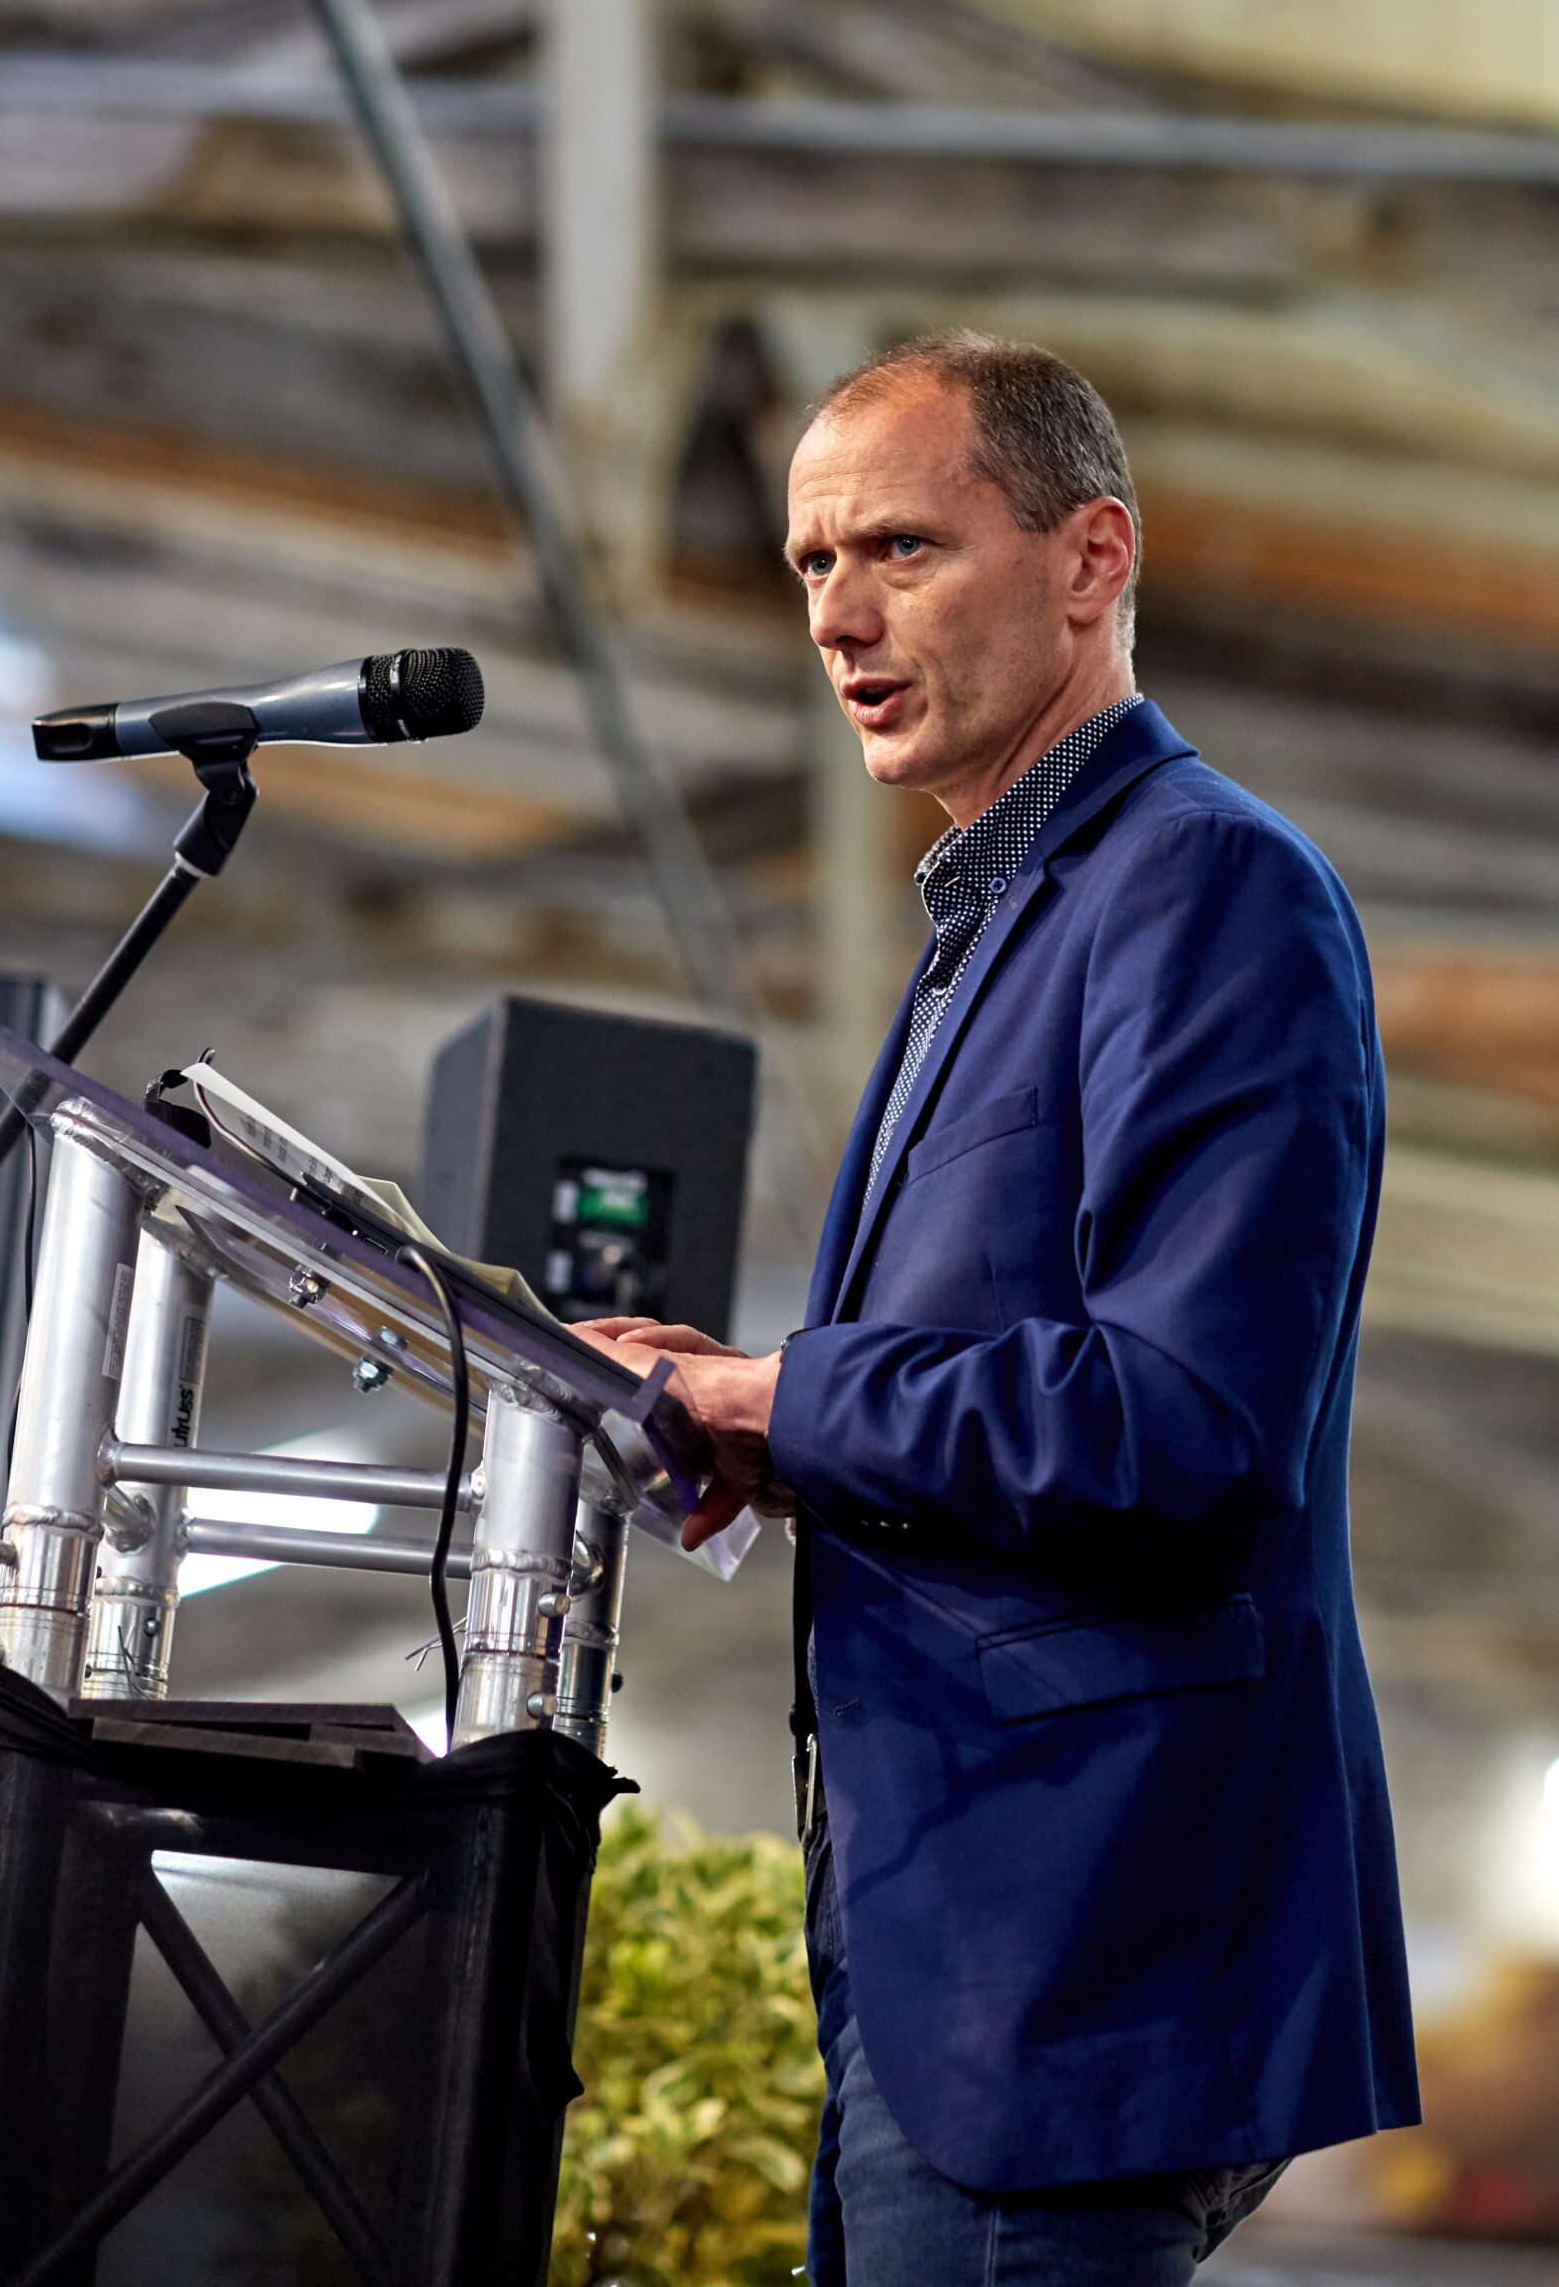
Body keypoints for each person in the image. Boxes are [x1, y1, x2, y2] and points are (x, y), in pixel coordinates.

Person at [575, 333, 1419, 2285]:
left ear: (1087, 560)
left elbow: (1188, 1419)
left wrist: (785, 1389)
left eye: (897, 547)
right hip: (959, 1934)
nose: (837, 615)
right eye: (807, 565)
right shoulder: (1010, 913)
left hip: (1074, 1946)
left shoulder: (1203, 889)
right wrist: (749, 1420)